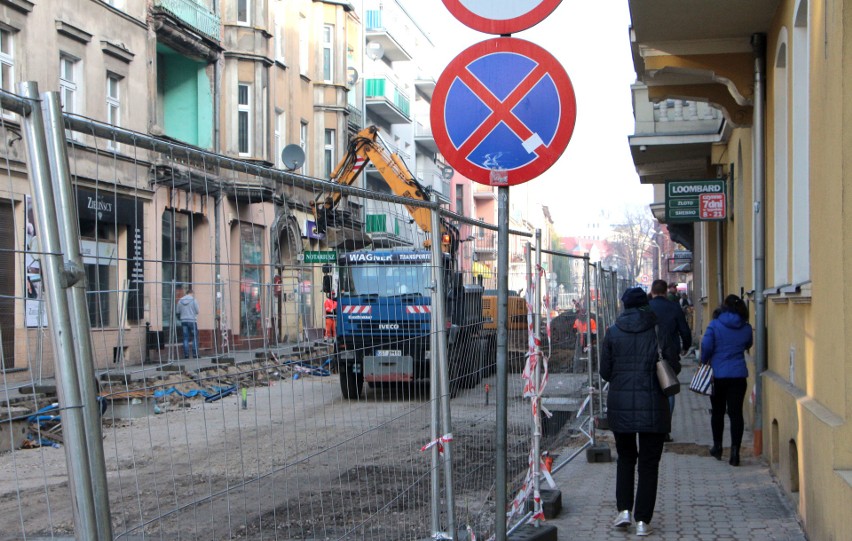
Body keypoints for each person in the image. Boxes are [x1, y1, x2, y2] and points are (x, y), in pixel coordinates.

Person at [600, 287, 679, 537]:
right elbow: (673, 364)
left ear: (624, 306)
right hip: (654, 407)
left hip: (621, 407)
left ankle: (623, 510)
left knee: (625, 458)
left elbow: (604, 371)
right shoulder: (658, 330)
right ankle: (643, 521)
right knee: (648, 464)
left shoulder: (612, 332)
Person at [701, 294, 753, 466]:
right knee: (736, 413)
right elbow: (747, 344)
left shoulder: (715, 325)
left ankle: (717, 447)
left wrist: (704, 361)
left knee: (717, 411)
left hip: (718, 375)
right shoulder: (746, 327)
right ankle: (735, 453)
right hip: (738, 375)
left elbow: (706, 346)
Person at [648, 279, 691, 443]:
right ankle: (665, 429)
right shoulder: (674, 307)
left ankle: (651, 426)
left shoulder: (646, 308)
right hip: (670, 355)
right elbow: (684, 331)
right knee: (669, 389)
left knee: (652, 390)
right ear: (666, 292)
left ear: (652, 292)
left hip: (649, 354)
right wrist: (685, 347)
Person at [176, 287, 200, 359]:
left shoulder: (180, 300)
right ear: (191, 293)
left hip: (184, 321)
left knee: (185, 338)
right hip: (192, 321)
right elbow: (197, 311)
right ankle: (195, 354)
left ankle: (186, 355)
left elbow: (177, 311)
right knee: (194, 337)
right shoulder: (193, 300)